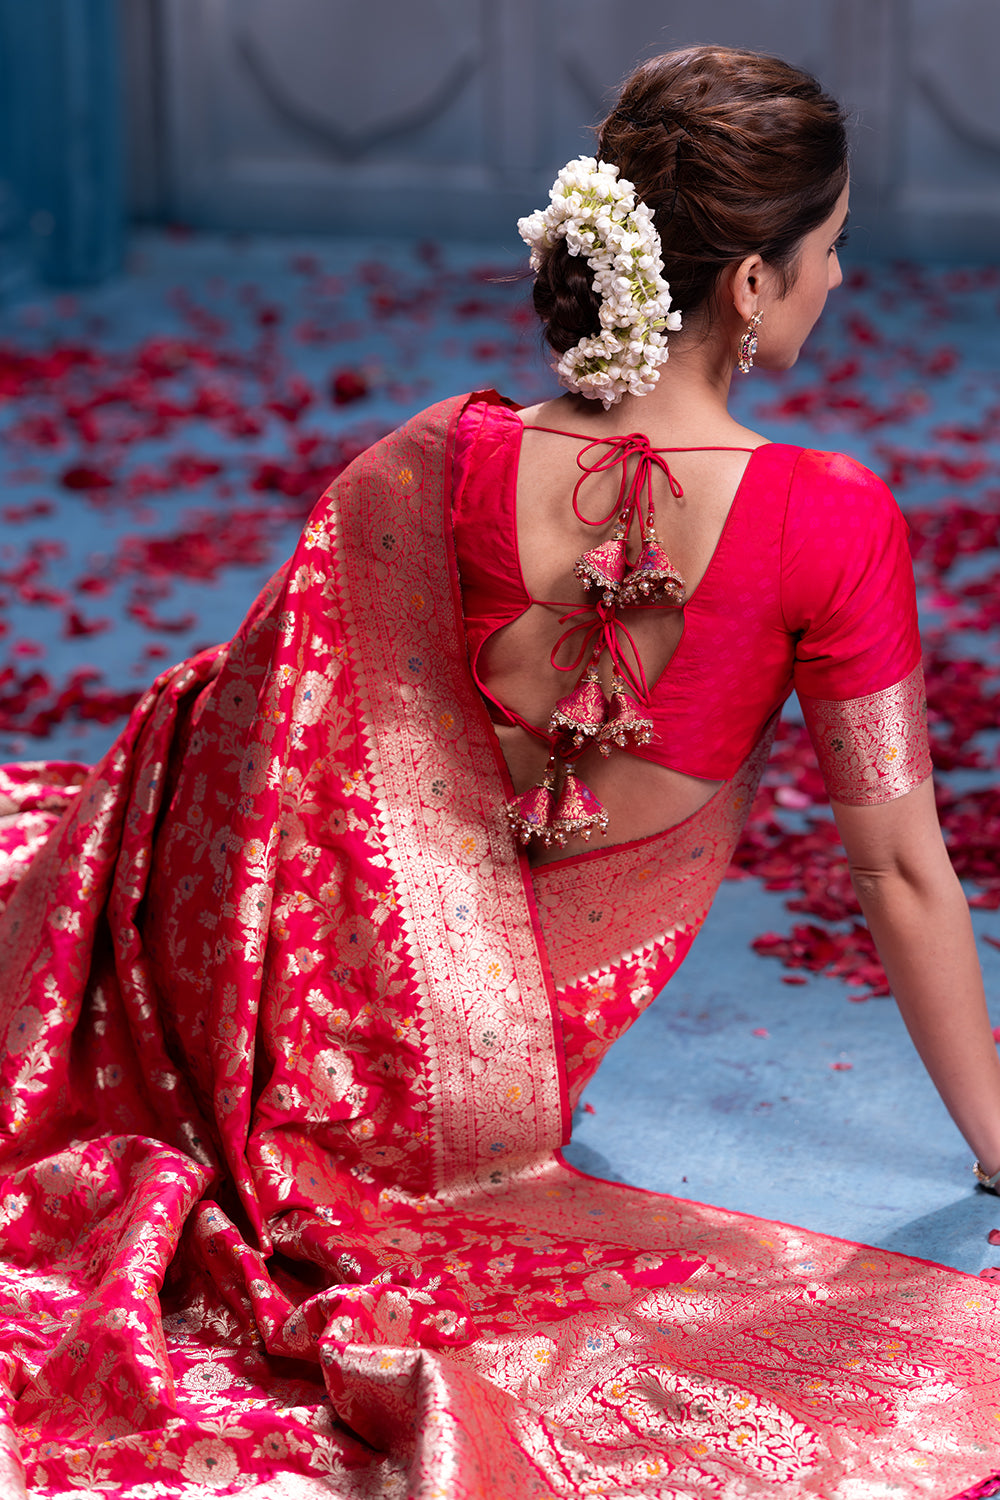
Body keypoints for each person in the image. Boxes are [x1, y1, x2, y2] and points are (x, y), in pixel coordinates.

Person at [0, 42, 998, 1500]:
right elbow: (901, 864)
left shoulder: (428, 463)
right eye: (829, 253)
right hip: (488, 1095)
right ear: (746, 286)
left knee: (177, 731)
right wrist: (993, 1140)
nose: (841, 283)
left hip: (301, 1023)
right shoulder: (828, 521)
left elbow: (268, 758)